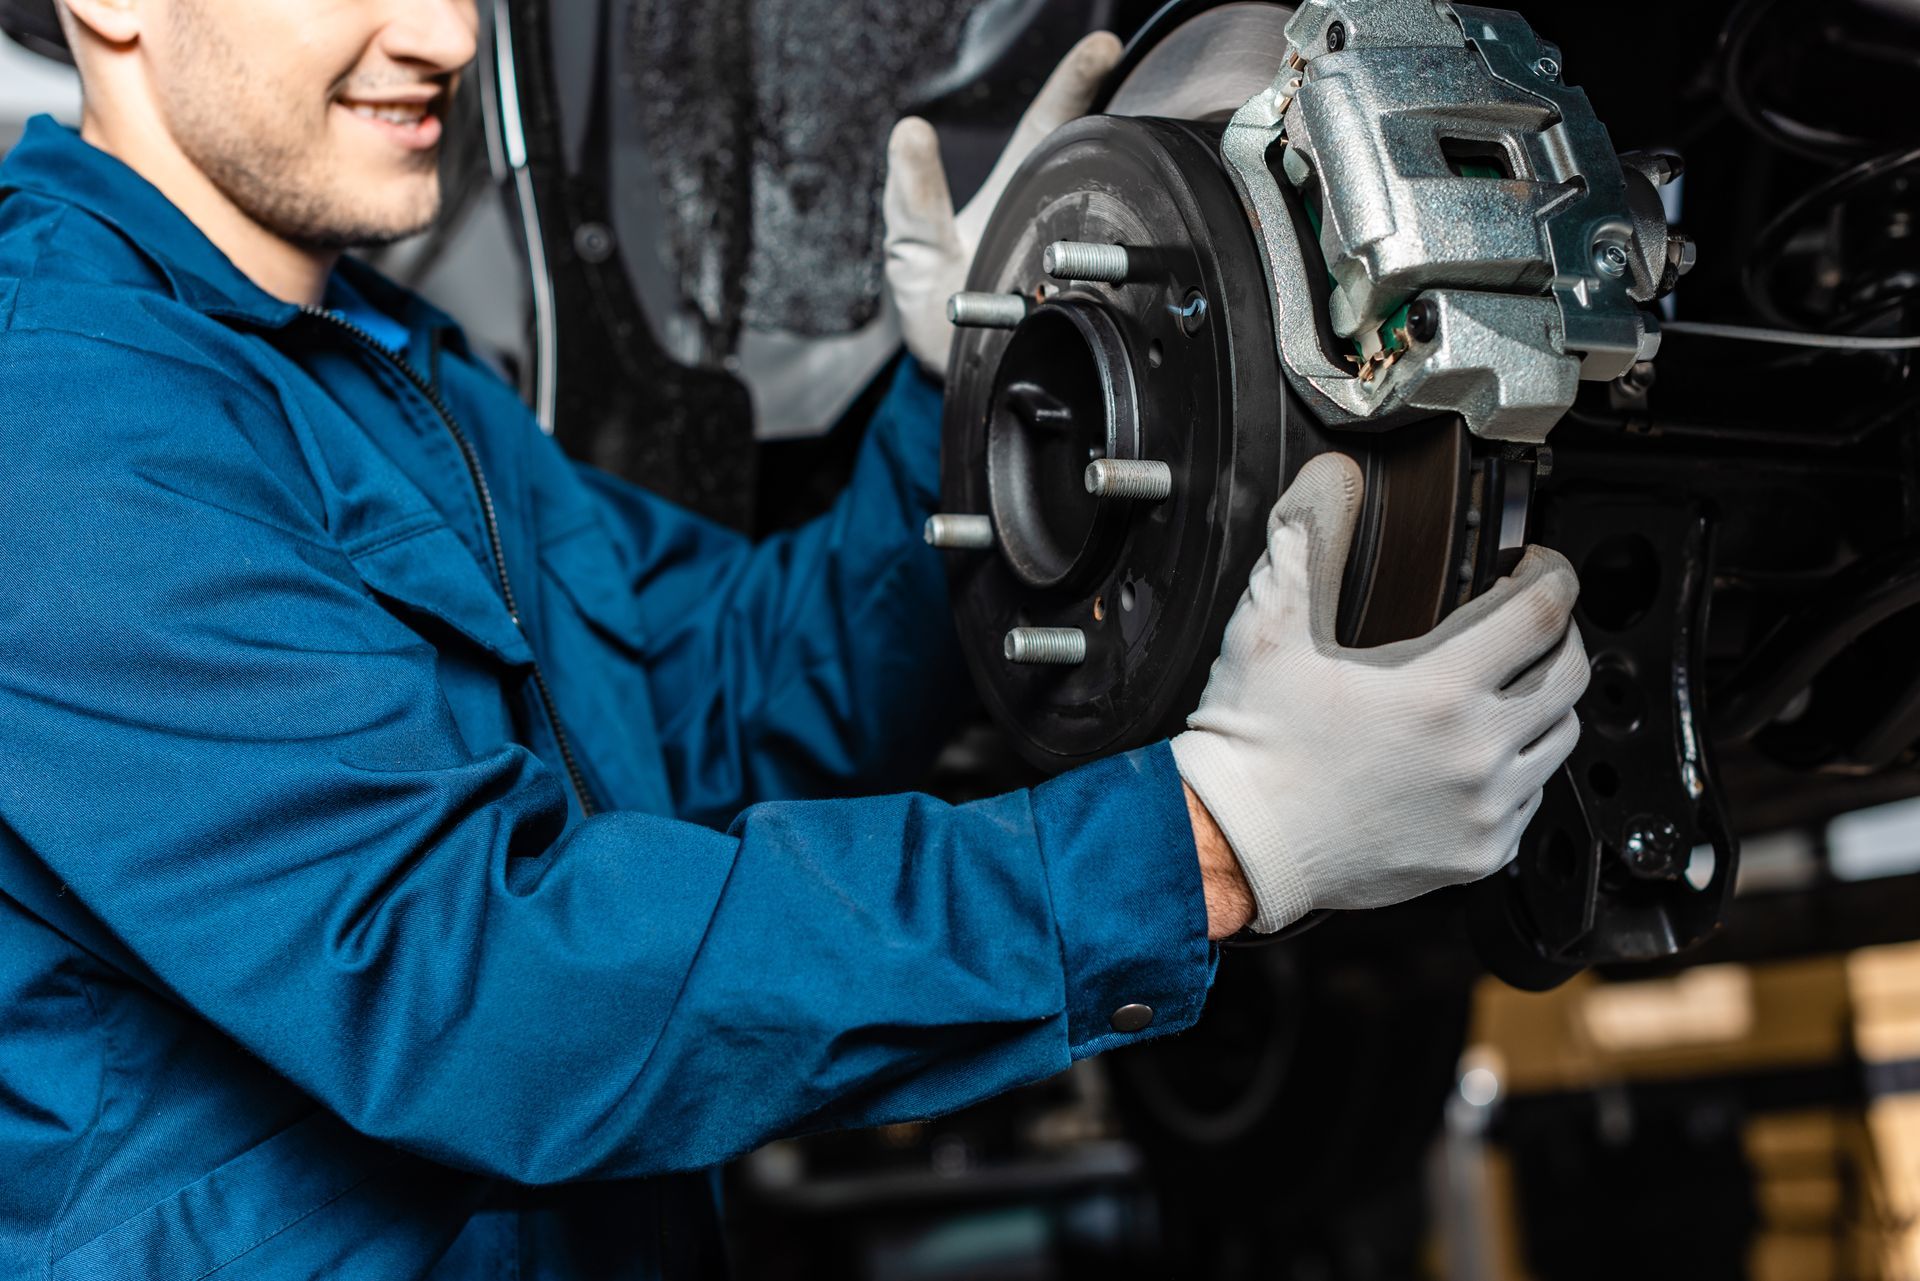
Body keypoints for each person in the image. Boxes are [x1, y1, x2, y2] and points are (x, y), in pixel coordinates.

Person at [0, 1, 1590, 1277]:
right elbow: (478, 986)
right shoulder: (58, 424)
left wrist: (966, 408)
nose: (450, 36)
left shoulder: (394, 376)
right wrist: (1201, 845)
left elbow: (727, 706)